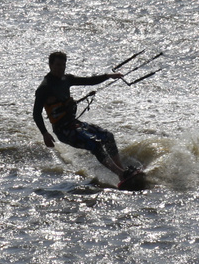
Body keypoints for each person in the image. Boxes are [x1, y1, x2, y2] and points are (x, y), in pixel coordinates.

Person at [33, 51, 135, 184]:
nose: (61, 68)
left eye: (63, 65)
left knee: (108, 137)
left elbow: (89, 81)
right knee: (95, 144)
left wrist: (109, 76)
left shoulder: (66, 79)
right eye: (58, 65)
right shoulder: (44, 88)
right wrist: (45, 133)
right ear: (50, 65)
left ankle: (123, 171)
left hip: (75, 124)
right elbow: (36, 113)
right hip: (63, 131)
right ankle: (121, 174)